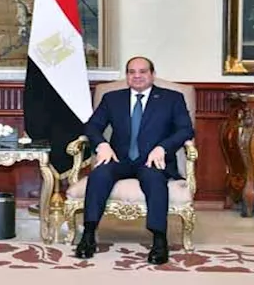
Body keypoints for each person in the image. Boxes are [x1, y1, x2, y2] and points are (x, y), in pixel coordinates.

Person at [74, 56, 194, 264]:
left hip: (152, 160)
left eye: (143, 71)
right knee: (99, 175)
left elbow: (185, 129)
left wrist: (162, 148)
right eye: (132, 72)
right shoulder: (112, 98)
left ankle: (159, 240)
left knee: (155, 180)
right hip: (118, 158)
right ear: (127, 76)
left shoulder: (172, 98)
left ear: (152, 74)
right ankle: (89, 234)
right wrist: (102, 145)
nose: (137, 76)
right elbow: (92, 126)